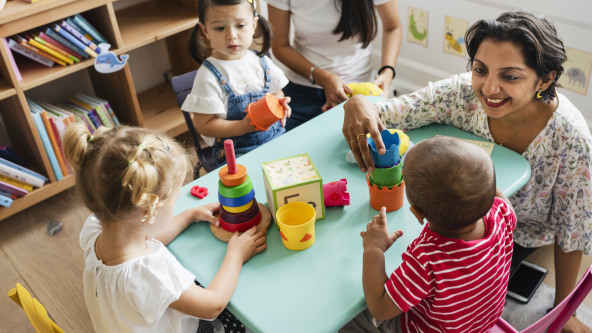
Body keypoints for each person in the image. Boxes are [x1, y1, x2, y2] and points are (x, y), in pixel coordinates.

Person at [343, 11, 592, 332]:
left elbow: (573, 231)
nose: (489, 88)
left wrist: (564, 309)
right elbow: (393, 112)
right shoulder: (461, 94)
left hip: (517, 236)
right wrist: (360, 103)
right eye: (480, 69)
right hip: (482, 227)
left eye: (510, 76)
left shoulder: (572, 138)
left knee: (363, 300)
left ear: (544, 79)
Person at [63, 123, 267, 332]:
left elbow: (146, 241)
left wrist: (189, 215)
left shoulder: (97, 229)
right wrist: (236, 255)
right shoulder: (150, 273)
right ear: (149, 212)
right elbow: (213, 305)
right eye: (175, 199)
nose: (177, 204)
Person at [340, 137, 517, 333]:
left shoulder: (427, 259)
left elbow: (380, 308)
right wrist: (479, 182)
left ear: (417, 213)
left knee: (349, 317)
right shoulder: (502, 214)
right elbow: (500, 199)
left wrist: (374, 249)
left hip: (426, 329)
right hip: (479, 324)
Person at [183, 0, 291, 167]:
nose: (232, 35)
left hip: (275, 136)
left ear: (254, 24)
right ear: (205, 31)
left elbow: (277, 92)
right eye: (220, 28)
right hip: (236, 152)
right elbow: (204, 126)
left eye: (240, 26)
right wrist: (242, 126)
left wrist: (278, 104)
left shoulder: (261, 61)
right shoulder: (208, 76)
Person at [267, 0, 402, 130]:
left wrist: (387, 72)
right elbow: (280, 46)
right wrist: (321, 77)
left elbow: (393, 27)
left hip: (358, 90)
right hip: (302, 90)